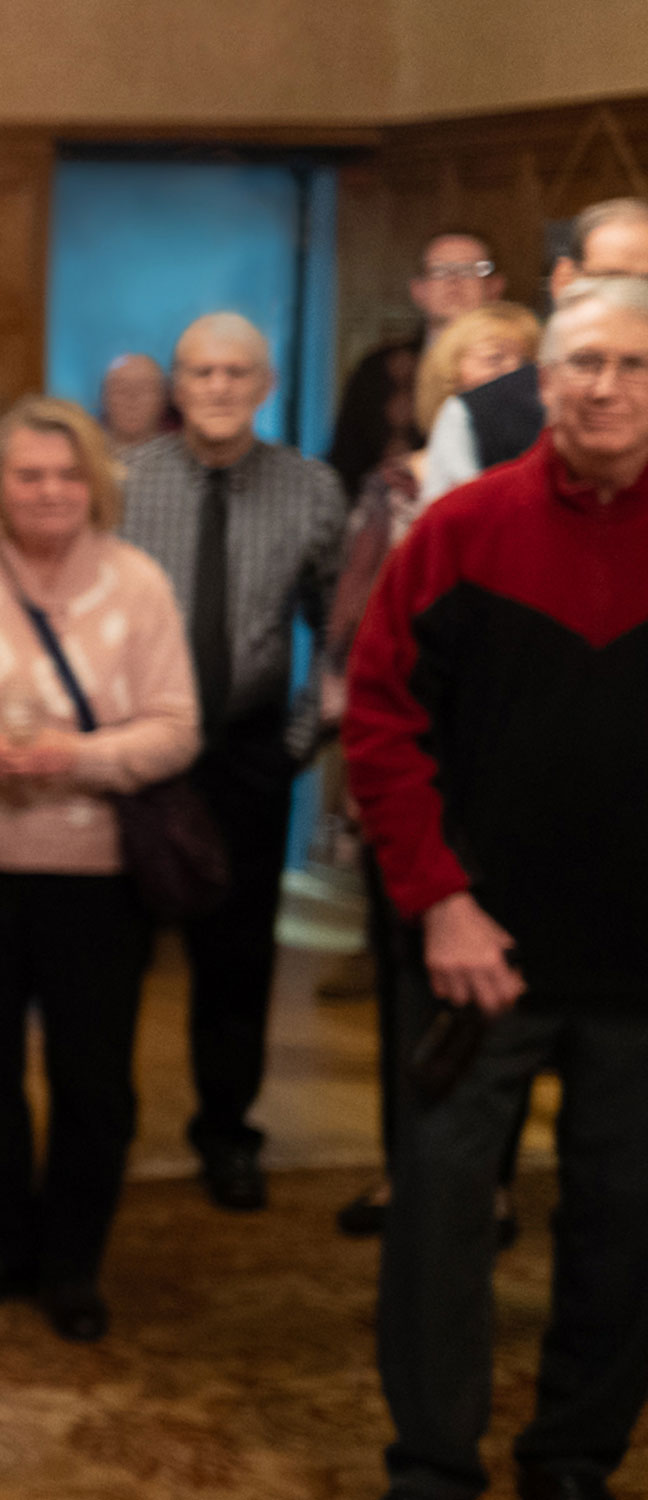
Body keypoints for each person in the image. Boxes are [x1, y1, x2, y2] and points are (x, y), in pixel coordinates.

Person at [351, 277, 648, 1500]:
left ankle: (575, 1453)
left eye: (634, 365)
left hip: (641, 967)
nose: (606, 387)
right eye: (582, 364)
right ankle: (433, 1458)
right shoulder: (462, 530)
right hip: (478, 955)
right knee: (439, 1217)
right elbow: (379, 724)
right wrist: (442, 901)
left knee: (624, 1225)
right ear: (539, 383)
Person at [0, 397, 199, 1343]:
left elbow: (177, 725)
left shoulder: (138, 582)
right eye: (29, 475)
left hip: (96, 876)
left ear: (95, 483)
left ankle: (72, 1266)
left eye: (68, 475)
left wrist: (79, 758)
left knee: (93, 1080)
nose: (50, 491)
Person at [119, 311, 347, 1212]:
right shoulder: (123, 484)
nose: (217, 388)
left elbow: (343, 639)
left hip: (249, 755)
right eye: (200, 373)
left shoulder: (312, 491)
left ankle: (226, 1131)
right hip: (136, 753)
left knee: (237, 960)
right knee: (112, 954)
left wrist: (291, 750)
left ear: (266, 386)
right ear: (177, 388)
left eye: (235, 374)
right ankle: (102, 1137)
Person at [323, 300, 541, 1241]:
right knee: (429, 1010)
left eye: (512, 359)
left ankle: (485, 1183)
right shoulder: (409, 499)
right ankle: (417, 1176)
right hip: (432, 787)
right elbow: (360, 652)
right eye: (475, 359)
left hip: (553, 827)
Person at [424, 198, 648, 497]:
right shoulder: (476, 419)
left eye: (645, 283)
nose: (631, 301)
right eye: (612, 279)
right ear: (565, 280)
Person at [328, 231, 506, 496]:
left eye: (471, 270)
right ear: (418, 290)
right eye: (440, 270)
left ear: (495, 288)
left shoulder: (517, 368)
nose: (454, 281)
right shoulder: (378, 370)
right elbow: (346, 467)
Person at [99, 353, 174, 455]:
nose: (132, 398)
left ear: (163, 397)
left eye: (144, 389)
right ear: (104, 397)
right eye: (121, 389)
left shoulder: (186, 454)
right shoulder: (83, 455)